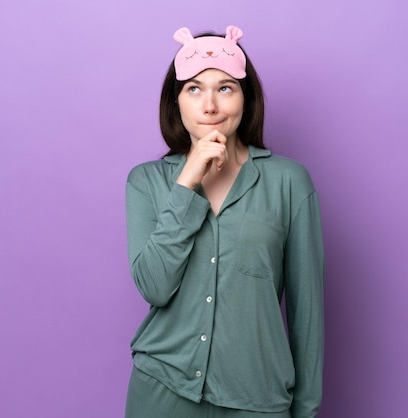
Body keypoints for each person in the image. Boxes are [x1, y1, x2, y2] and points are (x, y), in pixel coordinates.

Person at [124, 25, 325, 418]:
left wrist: (307, 411)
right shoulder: (145, 181)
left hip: (257, 396)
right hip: (162, 390)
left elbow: (308, 313)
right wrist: (186, 184)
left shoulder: (289, 182)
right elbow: (154, 287)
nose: (210, 105)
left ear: (246, 100)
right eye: (194, 89)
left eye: (226, 88)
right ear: (176, 103)